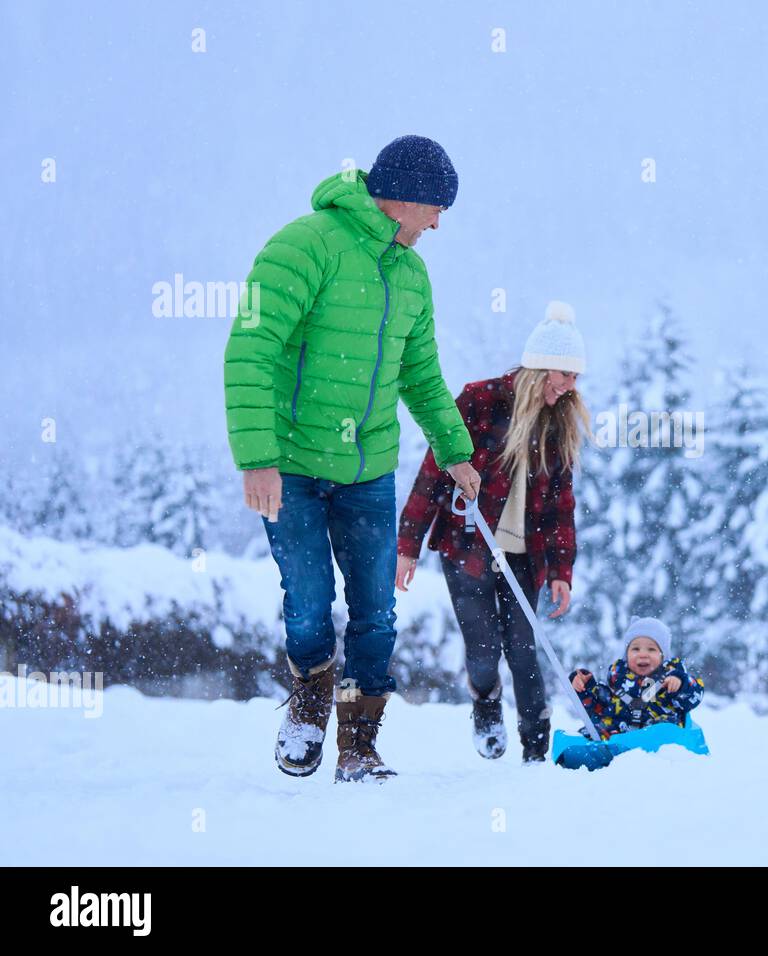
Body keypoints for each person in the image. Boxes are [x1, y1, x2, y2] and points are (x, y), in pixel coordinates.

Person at [223, 135, 481, 783]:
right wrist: (256, 457)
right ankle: (308, 704)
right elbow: (250, 348)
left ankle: (358, 747)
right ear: (408, 200)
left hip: (368, 472)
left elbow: (420, 375)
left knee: (375, 612)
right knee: (308, 603)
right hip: (292, 467)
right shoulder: (304, 245)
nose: (439, 224)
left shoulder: (412, 274)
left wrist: (456, 451)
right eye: (436, 210)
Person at [397, 301, 589, 763]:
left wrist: (562, 569)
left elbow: (561, 506)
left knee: (524, 647)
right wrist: (407, 546)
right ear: (539, 366)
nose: (568, 387)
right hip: (468, 549)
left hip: (525, 554)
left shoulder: (557, 424)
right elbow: (432, 474)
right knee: (483, 649)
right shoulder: (479, 402)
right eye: (563, 375)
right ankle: (484, 702)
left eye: (575, 378)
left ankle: (536, 748)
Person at [569, 617, 705, 740]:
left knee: (664, 729)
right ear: (626, 654)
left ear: (663, 656)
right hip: (621, 734)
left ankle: (655, 748)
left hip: (659, 735)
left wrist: (681, 684)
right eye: (635, 649)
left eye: (651, 649)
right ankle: (586, 753)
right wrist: (585, 687)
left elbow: (694, 695)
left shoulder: (671, 676)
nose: (643, 654)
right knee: (594, 731)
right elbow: (599, 707)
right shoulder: (619, 680)